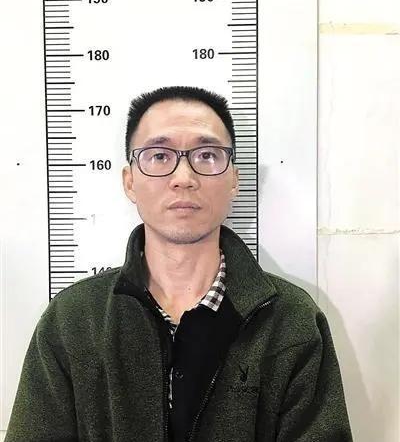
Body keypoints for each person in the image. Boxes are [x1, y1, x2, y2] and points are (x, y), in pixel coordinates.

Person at [5, 86, 353, 442]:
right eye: (159, 156)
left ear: (234, 179)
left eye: (207, 155)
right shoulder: (72, 320)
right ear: (130, 181)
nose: (184, 178)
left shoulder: (291, 321)